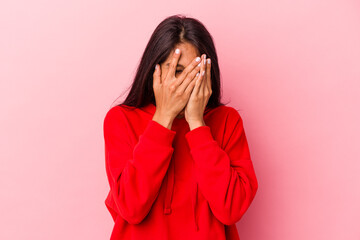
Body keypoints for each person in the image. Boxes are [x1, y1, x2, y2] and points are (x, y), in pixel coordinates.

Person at [103, 14, 258, 240]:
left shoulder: (227, 121)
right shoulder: (120, 120)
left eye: (195, 71)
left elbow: (231, 209)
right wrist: (163, 117)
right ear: (154, 71)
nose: (185, 81)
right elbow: (130, 207)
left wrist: (197, 124)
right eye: (176, 70)